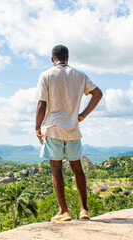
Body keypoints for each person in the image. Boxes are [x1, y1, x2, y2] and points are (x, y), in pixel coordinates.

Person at [35, 45, 102, 221]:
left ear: (52, 59)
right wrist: (83, 115)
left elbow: (42, 103)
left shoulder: (46, 75)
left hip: (53, 128)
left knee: (56, 169)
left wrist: (37, 128)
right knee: (77, 169)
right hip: (73, 129)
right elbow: (97, 94)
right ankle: (84, 210)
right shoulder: (79, 75)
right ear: (67, 57)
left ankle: (63, 211)